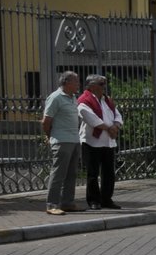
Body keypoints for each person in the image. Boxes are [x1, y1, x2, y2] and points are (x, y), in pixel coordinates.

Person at [77, 74, 123, 210]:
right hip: (92, 141)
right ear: (92, 86)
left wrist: (115, 125)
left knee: (109, 172)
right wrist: (109, 128)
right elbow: (92, 119)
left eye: (104, 84)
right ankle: (94, 200)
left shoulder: (106, 100)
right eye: (101, 84)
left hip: (108, 141)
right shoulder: (84, 101)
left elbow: (117, 114)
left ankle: (106, 199)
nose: (104, 87)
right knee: (93, 173)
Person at [40, 71, 83, 215]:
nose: (78, 84)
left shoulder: (73, 98)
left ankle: (67, 202)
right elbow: (46, 121)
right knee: (58, 174)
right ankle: (52, 204)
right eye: (76, 81)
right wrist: (50, 136)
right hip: (61, 140)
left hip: (74, 140)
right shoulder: (55, 97)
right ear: (66, 82)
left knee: (71, 174)